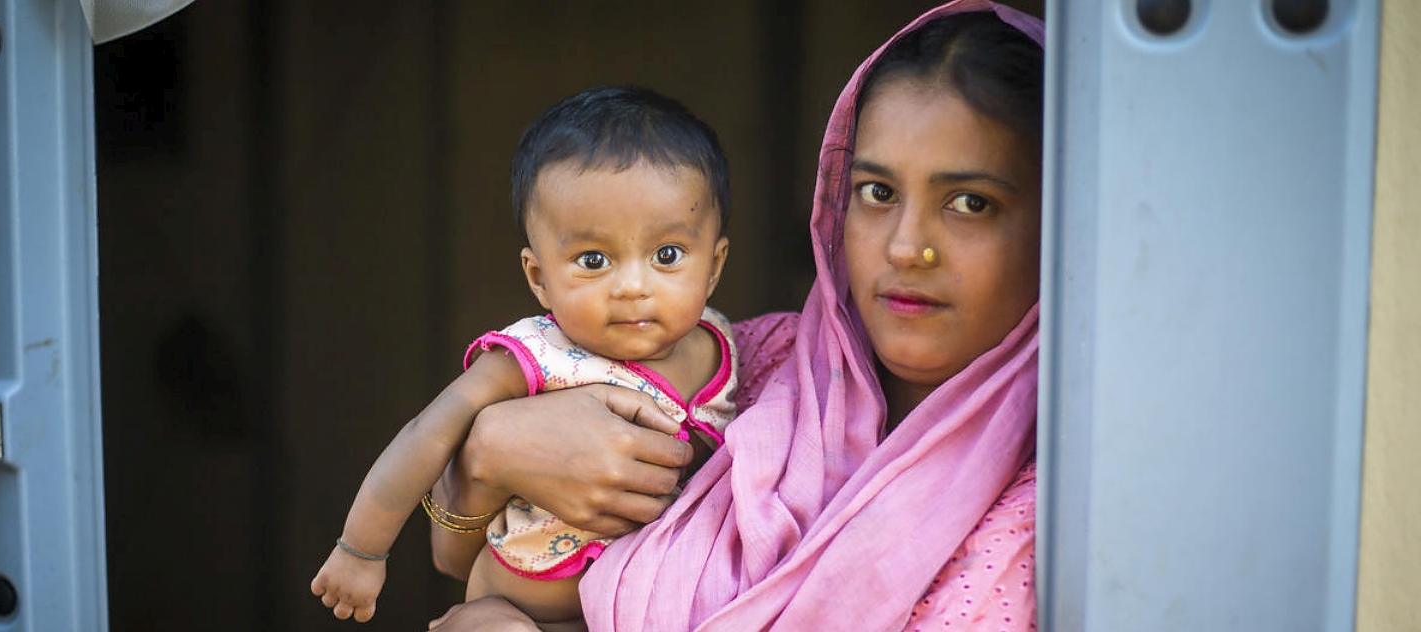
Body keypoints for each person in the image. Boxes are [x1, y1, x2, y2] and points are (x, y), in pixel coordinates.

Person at [428, 0, 1044, 629]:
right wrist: (487, 454)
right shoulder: (747, 361)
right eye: (877, 193)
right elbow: (465, 558)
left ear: (1059, 220)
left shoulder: (1062, 508)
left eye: (971, 202)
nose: (908, 247)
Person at [309, 85, 736, 627]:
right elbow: (426, 434)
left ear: (714, 265)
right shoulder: (538, 354)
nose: (632, 286)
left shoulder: (730, 347)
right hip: (516, 610)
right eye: (593, 258)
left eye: (667, 255)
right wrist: (360, 551)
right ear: (538, 277)